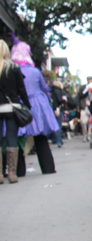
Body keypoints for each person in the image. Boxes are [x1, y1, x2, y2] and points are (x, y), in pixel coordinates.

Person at [11, 37, 58, 176]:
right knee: (41, 137)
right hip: (38, 105)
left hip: (20, 106)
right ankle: (48, 168)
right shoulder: (35, 71)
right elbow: (44, 88)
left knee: (19, 139)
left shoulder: (13, 70)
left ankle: (19, 171)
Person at [0, 40, 30, 183]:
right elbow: (21, 89)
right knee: (11, 138)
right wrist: (27, 105)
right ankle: (12, 174)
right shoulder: (13, 68)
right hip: (12, 107)